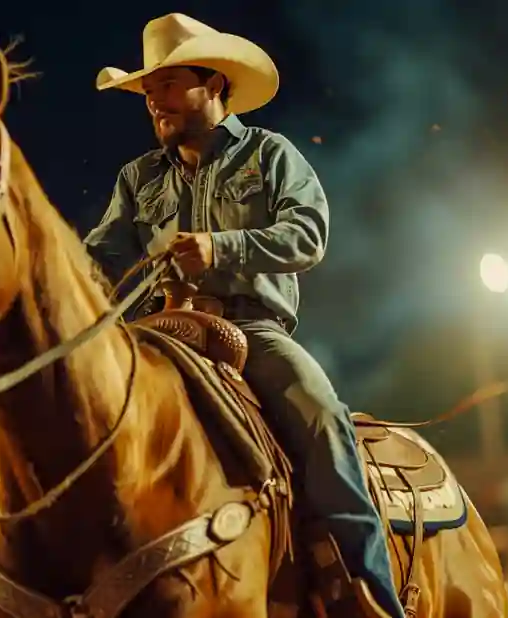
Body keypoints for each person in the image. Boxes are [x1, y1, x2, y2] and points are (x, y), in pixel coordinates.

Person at [85, 13, 406, 618]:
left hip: (250, 332)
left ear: (215, 84)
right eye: (149, 91)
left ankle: (367, 593)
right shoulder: (138, 178)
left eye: (169, 83)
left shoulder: (271, 155)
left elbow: (307, 235)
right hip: (155, 335)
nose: (155, 100)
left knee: (320, 416)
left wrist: (221, 248)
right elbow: (98, 259)